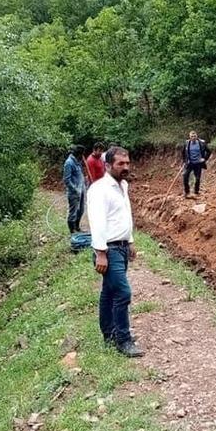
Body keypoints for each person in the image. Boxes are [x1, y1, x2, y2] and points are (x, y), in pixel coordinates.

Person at [87, 146, 143, 358]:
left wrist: (130, 241)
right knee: (123, 293)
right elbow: (98, 222)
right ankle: (123, 340)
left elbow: (124, 216)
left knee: (109, 292)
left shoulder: (123, 185)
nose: (126, 167)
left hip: (120, 247)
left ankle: (109, 334)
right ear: (108, 165)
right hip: (108, 250)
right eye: (121, 164)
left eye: (127, 163)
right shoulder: (99, 189)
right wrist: (100, 253)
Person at [63, 145, 86, 234]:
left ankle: (77, 227)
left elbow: (79, 175)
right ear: (78, 154)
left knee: (81, 210)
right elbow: (66, 179)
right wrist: (75, 189)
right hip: (74, 192)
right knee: (73, 212)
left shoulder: (77, 162)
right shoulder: (69, 163)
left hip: (81, 189)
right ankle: (72, 231)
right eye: (82, 154)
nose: (83, 157)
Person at [181, 131, 210, 199]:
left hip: (198, 164)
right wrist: (185, 161)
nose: (193, 138)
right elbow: (183, 153)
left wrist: (204, 159)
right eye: (191, 136)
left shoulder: (201, 143)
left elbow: (209, 151)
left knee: (197, 179)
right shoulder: (187, 143)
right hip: (190, 163)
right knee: (185, 176)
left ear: (196, 136)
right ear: (189, 137)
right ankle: (187, 192)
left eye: (194, 136)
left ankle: (196, 192)